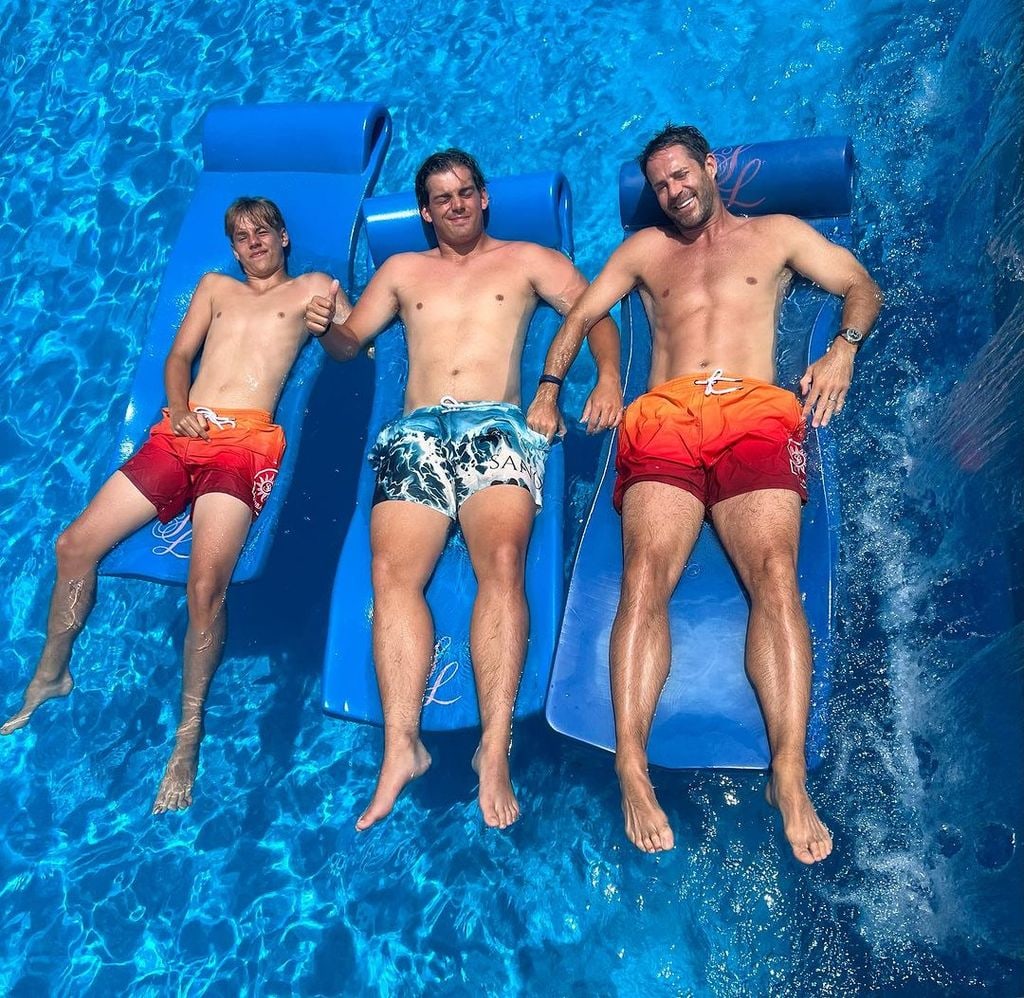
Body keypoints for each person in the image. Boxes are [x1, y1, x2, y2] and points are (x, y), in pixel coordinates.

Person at [527, 125, 883, 862]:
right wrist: (565, 384)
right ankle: (632, 761)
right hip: (664, 415)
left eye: (682, 175)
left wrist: (842, 351)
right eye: (659, 185)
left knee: (776, 577)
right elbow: (583, 316)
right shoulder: (643, 252)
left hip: (754, 407)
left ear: (711, 167)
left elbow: (860, 286)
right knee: (643, 578)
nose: (673, 192)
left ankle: (786, 774)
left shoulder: (779, 234)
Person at [308, 149, 622, 831]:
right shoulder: (399, 271)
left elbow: (594, 310)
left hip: (496, 427)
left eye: (465, 192)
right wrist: (328, 325)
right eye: (440, 197)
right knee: (391, 574)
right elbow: (351, 342)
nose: (454, 204)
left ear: (484, 198)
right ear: (424, 211)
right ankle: (402, 748)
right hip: (417, 431)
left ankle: (493, 747)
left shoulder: (529, 259)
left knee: (502, 563)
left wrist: (604, 379)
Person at [2, 197, 342, 815]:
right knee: (72, 545)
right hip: (181, 433)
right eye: (240, 237)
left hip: (245, 444)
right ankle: (52, 673)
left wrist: (335, 325)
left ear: (284, 236)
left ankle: (187, 741)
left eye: (261, 231)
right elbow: (178, 357)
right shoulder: (215, 288)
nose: (253, 243)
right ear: (233, 249)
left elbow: (355, 349)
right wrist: (180, 405)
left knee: (205, 586)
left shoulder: (315, 287)